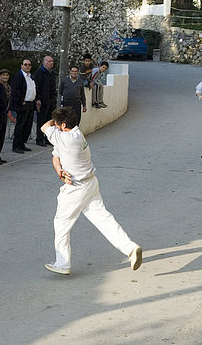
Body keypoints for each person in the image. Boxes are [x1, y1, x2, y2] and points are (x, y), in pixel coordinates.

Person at [40, 107, 142, 275]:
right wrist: (59, 171)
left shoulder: (67, 139)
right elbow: (55, 156)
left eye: (58, 125)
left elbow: (44, 127)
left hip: (76, 188)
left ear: (63, 125)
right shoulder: (73, 134)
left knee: (61, 224)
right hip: (90, 184)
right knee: (104, 220)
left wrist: (54, 118)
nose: (55, 127)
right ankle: (131, 248)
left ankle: (62, 263)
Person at [10, 59, 39, 154]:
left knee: (27, 126)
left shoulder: (30, 77)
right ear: (21, 66)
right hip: (23, 104)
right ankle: (16, 145)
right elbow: (15, 91)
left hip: (30, 104)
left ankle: (22, 143)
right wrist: (20, 101)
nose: (27, 66)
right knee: (20, 125)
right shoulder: (18, 77)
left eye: (29, 64)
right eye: (25, 64)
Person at [34, 55, 58, 147]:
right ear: (44, 62)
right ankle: (39, 139)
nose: (51, 63)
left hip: (51, 100)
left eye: (52, 61)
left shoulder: (52, 73)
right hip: (43, 101)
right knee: (41, 120)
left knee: (50, 121)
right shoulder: (40, 72)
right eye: (49, 61)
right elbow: (37, 86)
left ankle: (48, 139)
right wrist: (38, 99)